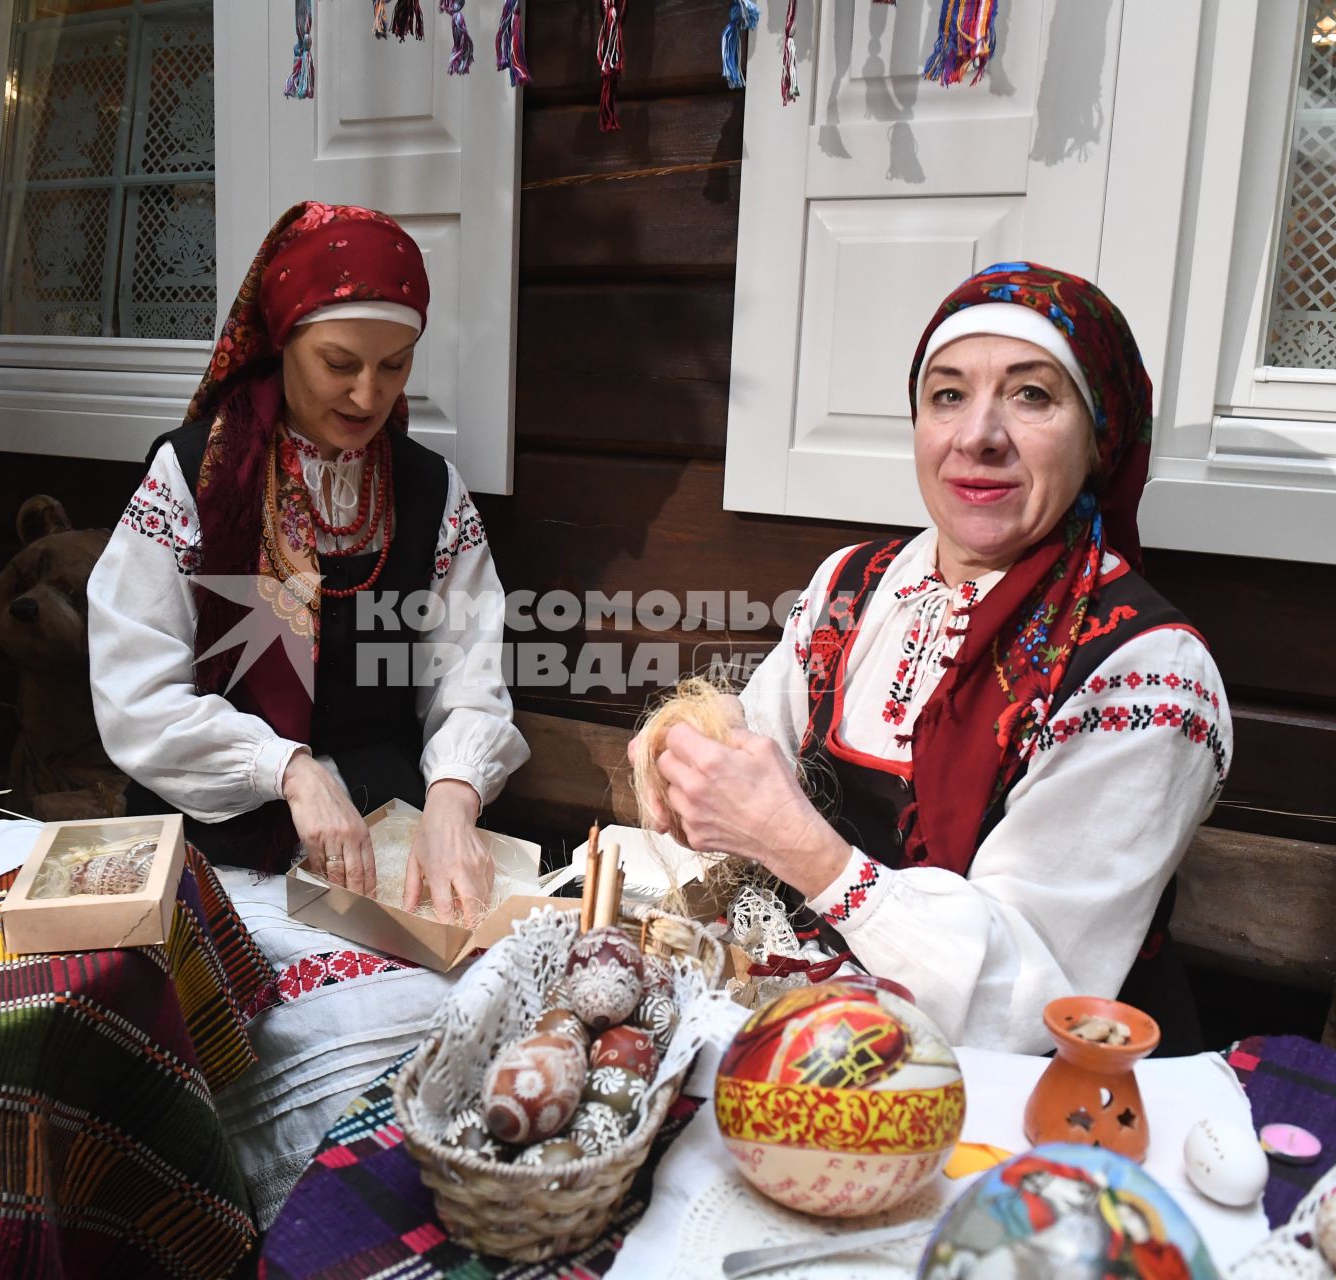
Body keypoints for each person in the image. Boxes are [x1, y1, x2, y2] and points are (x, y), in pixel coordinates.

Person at [635, 263, 1229, 1055]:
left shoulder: (1145, 670)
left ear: (1099, 441)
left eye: (1032, 395)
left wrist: (805, 851)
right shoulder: (853, 584)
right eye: (947, 394)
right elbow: (759, 747)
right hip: (816, 1032)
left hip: (1024, 1097)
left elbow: (1031, 1003)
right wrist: (692, 753)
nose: (977, 436)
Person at [87, 200, 528, 919]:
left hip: (379, 858)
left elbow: (471, 679)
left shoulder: (430, 493)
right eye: (339, 364)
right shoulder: (192, 480)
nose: (368, 394)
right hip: (211, 854)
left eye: (394, 366)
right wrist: (284, 769)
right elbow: (137, 697)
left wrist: (454, 797)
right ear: (283, 339)